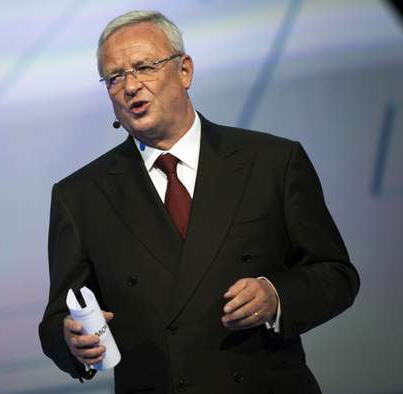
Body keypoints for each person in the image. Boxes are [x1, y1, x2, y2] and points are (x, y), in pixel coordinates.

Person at [39, 10, 359, 394]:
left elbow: (336, 274)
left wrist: (276, 296)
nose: (130, 86)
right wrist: (70, 340)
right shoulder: (81, 196)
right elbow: (58, 317)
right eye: (115, 77)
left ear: (185, 71)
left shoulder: (272, 162)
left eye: (144, 67)